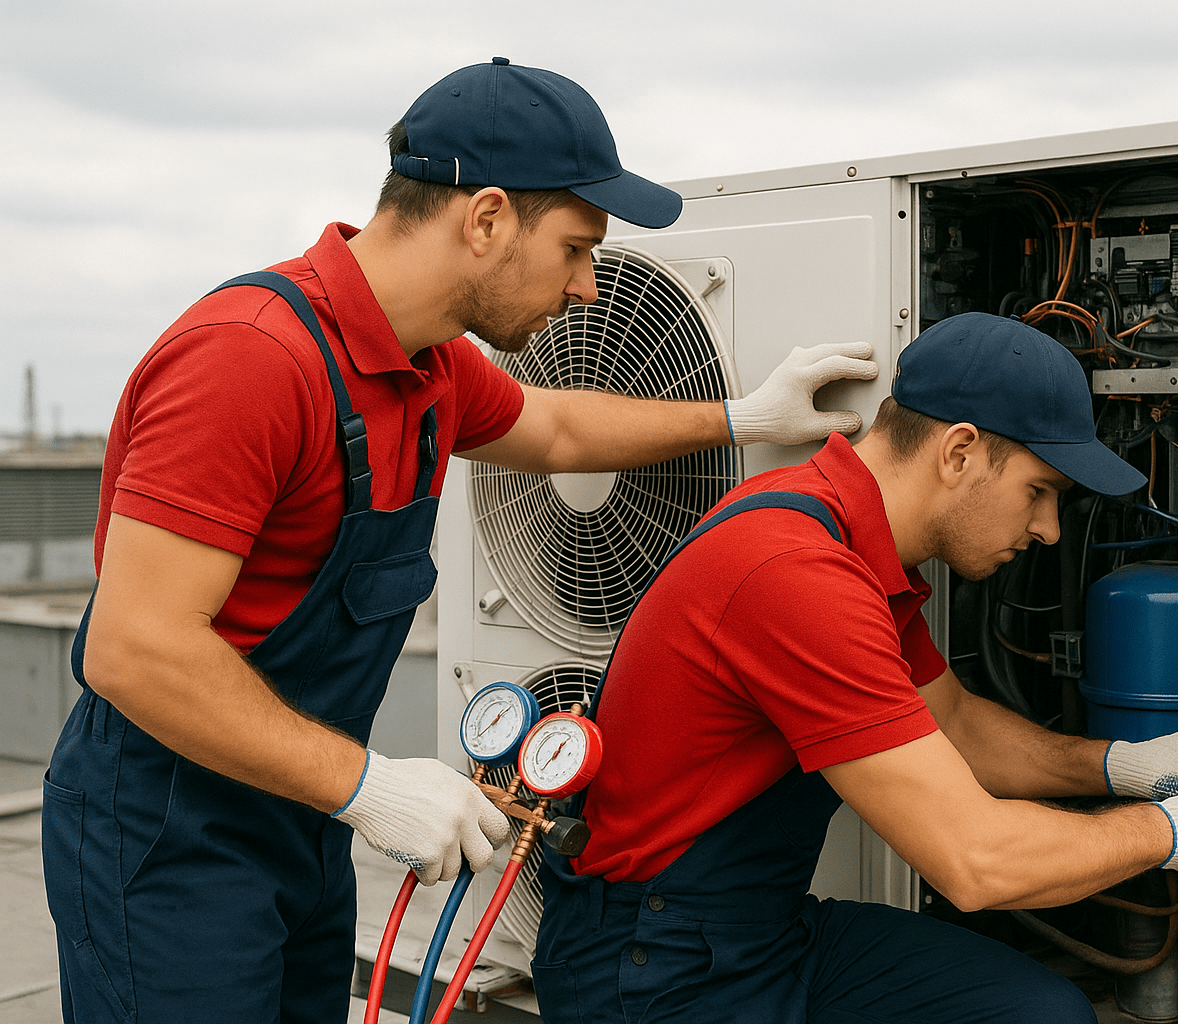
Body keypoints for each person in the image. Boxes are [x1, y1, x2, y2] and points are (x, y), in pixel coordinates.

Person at [40, 59, 877, 1024]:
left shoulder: (430, 366)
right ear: (484, 220)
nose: (588, 287)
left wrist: (738, 419)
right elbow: (134, 648)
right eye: (575, 248)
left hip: (295, 813)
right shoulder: (250, 361)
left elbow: (557, 431)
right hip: (165, 835)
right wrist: (364, 784)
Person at [535, 311, 1178, 1023]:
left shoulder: (844, 539)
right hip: (651, 966)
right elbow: (974, 860)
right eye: (1040, 492)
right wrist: (1171, 833)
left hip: (757, 932)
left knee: (1041, 1012)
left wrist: (1128, 765)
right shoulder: (795, 572)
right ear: (959, 452)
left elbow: (955, 726)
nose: (1046, 530)